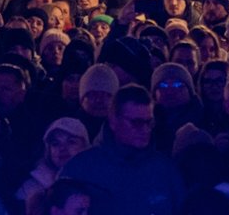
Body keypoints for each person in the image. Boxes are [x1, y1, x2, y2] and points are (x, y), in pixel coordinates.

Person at [58, 84, 182, 215]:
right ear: (113, 121)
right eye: (136, 122)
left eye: (149, 122)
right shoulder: (80, 169)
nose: (145, 130)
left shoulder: (166, 171)